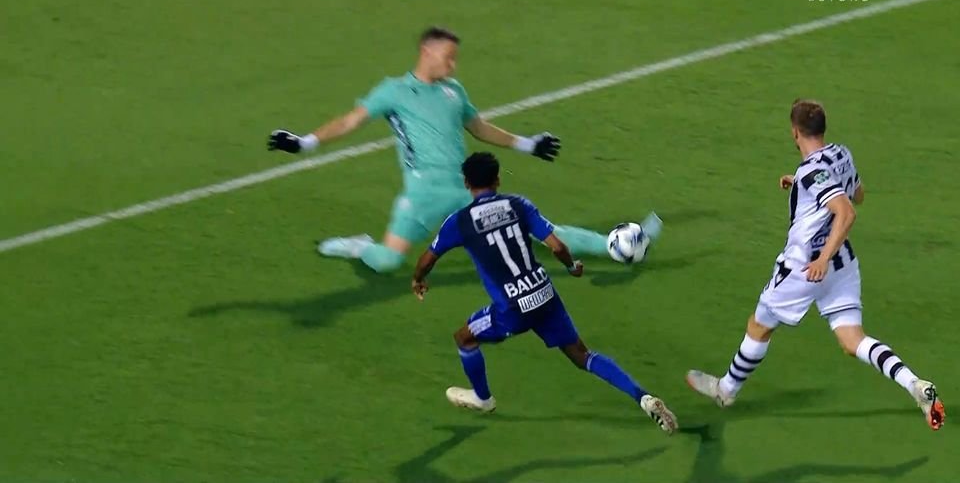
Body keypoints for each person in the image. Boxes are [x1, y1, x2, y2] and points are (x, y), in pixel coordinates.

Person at [268, 26, 660, 273]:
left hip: (466, 191)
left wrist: (529, 144)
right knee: (387, 262)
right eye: (449, 57)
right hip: (422, 195)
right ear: (427, 51)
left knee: (533, 229)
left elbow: (478, 127)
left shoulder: (454, 92)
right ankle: (359, 248)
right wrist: (304, 142)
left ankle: (613, 245)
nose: (453, 66)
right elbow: (350, 121)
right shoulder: (393, 91)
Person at [686, 99, 945, 431]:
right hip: (842, 265)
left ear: (795, 132)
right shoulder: (840, 154)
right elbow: (857, 194)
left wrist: (821, 256)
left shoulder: (810, 172)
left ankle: (726, 390)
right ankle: (914, 384)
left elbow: (847, 211)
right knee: (852, 340)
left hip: (806, 268)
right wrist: (801, 185)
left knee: (759, 325)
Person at [411, 152, 677, 435]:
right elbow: (557, 246)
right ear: (498, 179)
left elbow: (429, 257)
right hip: (543, 292)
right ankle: (643, 398)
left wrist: (418, 279)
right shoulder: (518, 204)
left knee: (464, 338)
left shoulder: (459, 222)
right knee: (582, 355)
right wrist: (572, 266)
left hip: (511, 309)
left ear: (466, 183)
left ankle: (483, 399)